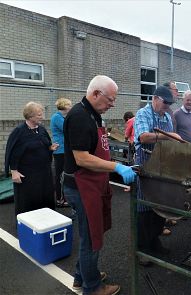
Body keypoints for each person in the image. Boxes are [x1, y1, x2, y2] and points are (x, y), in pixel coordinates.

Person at [63, 75, 136, 295]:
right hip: (81, 187)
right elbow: (82, 159)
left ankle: (81, 276)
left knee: (90, 235)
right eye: (110, 100)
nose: (113, 104)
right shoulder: (79, 116)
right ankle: (92, 287)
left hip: (93, 185)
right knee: (91, 239)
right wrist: (116, 167)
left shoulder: (93, 115)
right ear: (95, 94)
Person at [134, 85, 183, 264]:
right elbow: (143, 137)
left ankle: (154, 241)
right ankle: (142, 249)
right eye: (165, 103)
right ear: (155, 98)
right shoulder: (143, 114)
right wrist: (168, 135)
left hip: (162, 167)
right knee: (144, 208)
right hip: (145, 166)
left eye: (170, 103)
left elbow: (170, 143)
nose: (167, 107)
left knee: (159, 208)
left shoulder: (167, 116)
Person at [5, 102, 59, 217]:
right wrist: (14, 171)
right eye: (39, 115)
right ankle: (28, 227)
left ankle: (46, 222)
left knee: (46, 198)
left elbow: (45, 145)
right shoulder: (19, 131)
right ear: (30, 116)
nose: (43, 117)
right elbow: (13, 152)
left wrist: (50, 148)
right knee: (28, 201)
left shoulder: (41, 129)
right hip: (27, 175)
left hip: (44, 172)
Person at [50, 97, 72, 207]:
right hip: (60, 151)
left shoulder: (62, 117)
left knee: (64, 175)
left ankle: (64, 198)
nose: (70, 107)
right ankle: (60, 199)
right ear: (64, 106)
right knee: (60, 176)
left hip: (65, 149)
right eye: (69, 105)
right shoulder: (57, 117)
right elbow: (68, 129)